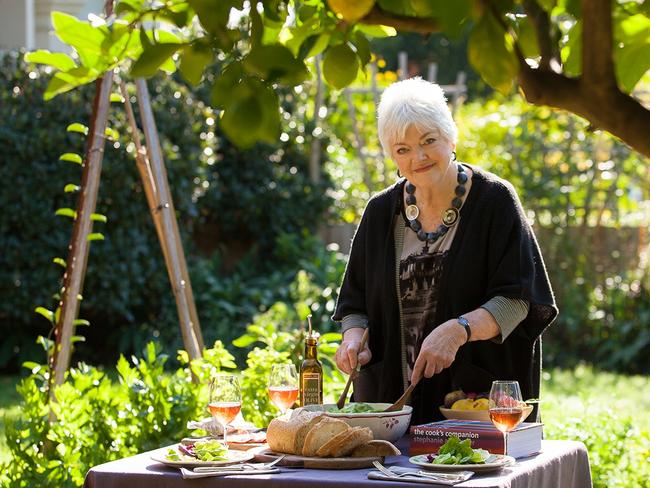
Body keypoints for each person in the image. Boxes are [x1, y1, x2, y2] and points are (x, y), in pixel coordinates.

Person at [332, 78, 557, 425]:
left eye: (428, 141)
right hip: (391, 409)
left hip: (471, 407)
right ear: (391, 155)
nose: (418, 157)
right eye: (402, 149)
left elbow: (517, 300)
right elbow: (354, 304)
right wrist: (352, 339)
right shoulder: (379, 213)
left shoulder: (494, 201)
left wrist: (459, 329)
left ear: (450, 137)